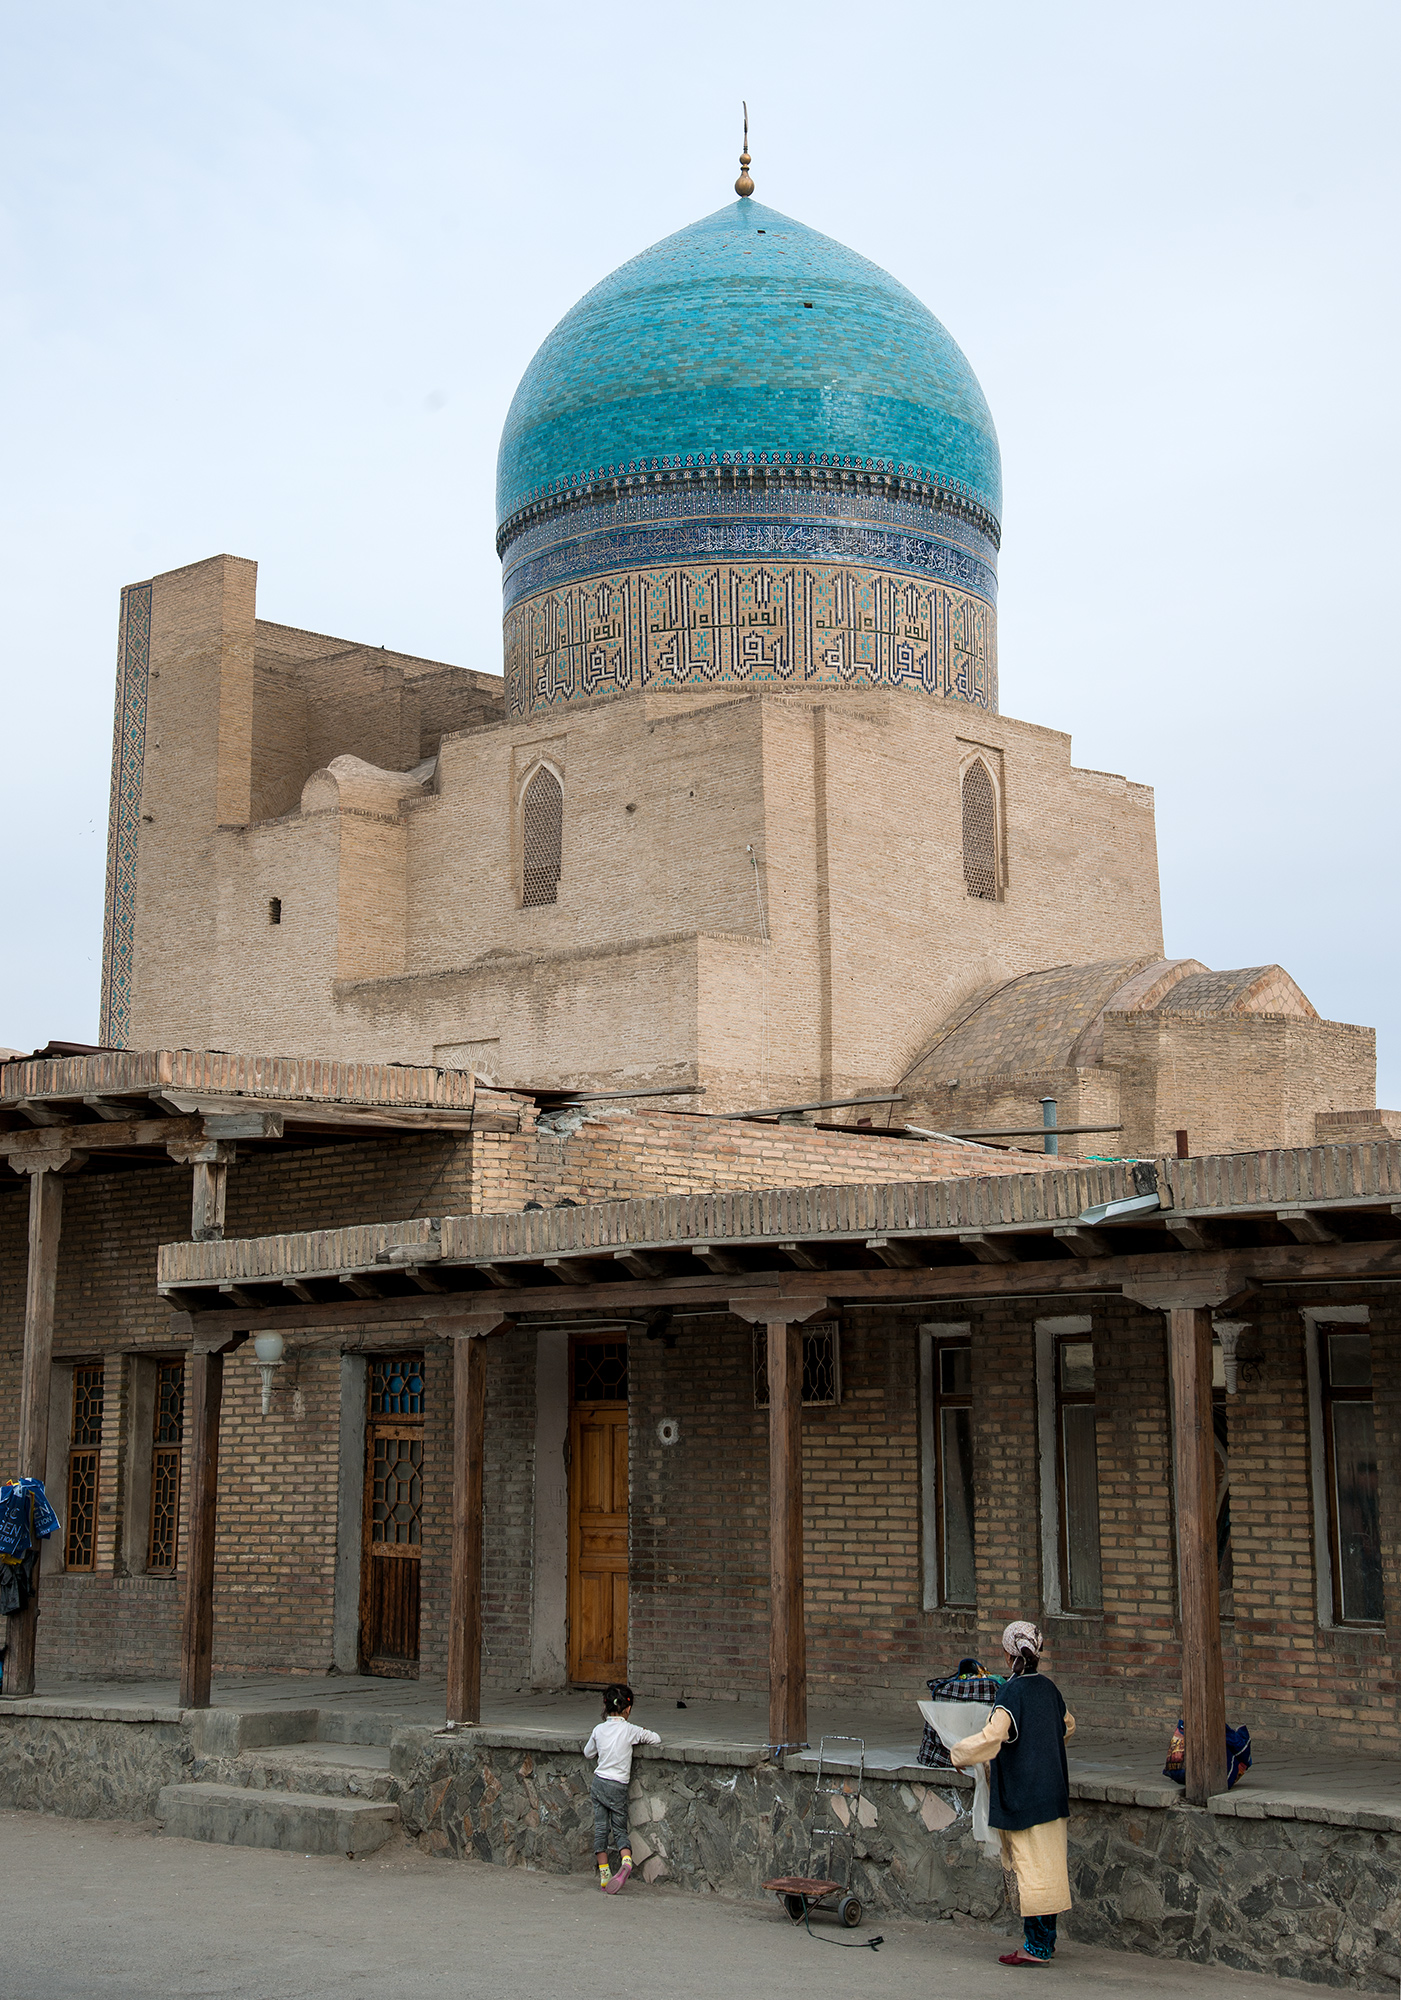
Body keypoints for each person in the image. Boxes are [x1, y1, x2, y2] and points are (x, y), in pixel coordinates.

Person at [951, 1621, 1075, 1967]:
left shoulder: (1011, 1693)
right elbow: (1067, 1725)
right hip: (1052, 1792)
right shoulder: (1050, 1690)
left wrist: (958, 1752)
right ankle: (1044, 1943)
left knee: (1031, 1872)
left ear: (1009, 1655)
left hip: (1025, 1794)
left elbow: (993, 1737)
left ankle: (1035, 1948)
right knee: (1048, 1870)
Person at [583, 1682, 660, 1892]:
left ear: (605, 1706)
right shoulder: (630, 1730)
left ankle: (605, 1873)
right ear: (628, 1709)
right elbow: (655, 1738)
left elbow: (588, 1753)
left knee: (601, 1828)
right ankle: (626, 1862)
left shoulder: (599, 1730)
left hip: (599, 1784)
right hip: (618, 1786)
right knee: (619, 1829)